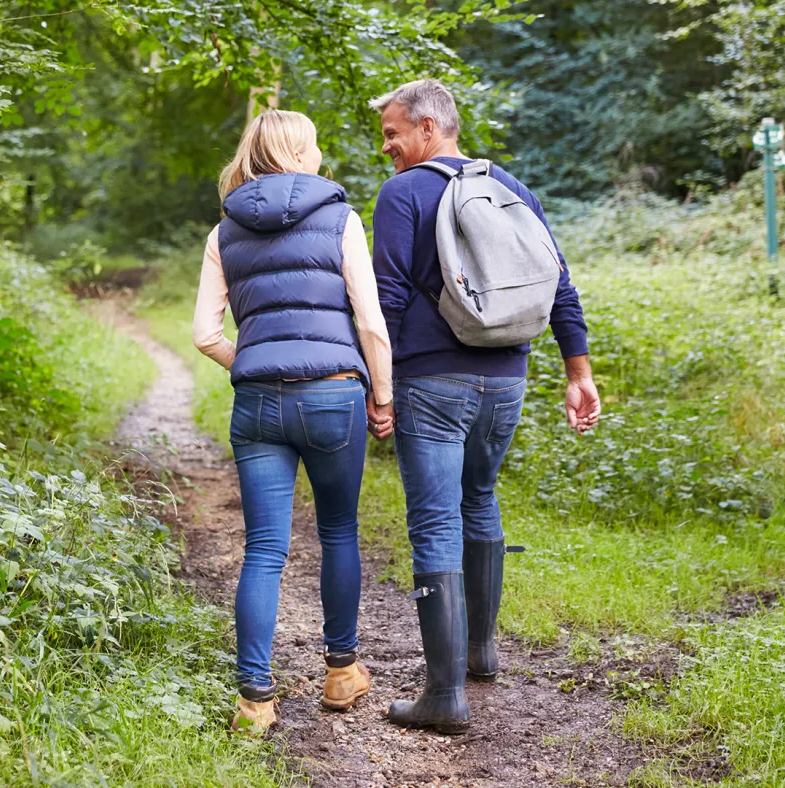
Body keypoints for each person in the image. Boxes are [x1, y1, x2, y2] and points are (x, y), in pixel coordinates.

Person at [366, 80, 601, 734]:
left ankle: (443, 696)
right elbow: (560, 284)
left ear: (429, 128)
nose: (387, 148)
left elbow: (384, 300)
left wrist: (374, 386)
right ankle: (481, 655)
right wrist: (576, 372)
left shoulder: (402, 193)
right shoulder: (510, 188)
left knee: (434, 521)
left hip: (431, 382)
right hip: (507, 379)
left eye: (393, 134)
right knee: (480, 497)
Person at [192, 109, 395, 734]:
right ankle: (341, 673)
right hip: (333, 396)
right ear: (304, 152)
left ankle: (254, 701)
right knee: (338, 530)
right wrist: (380, 395)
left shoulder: (224, 230)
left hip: (257, 404)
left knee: (265, 550)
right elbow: (370, 322)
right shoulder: (340, 217)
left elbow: (204, 334)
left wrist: (248, 361)